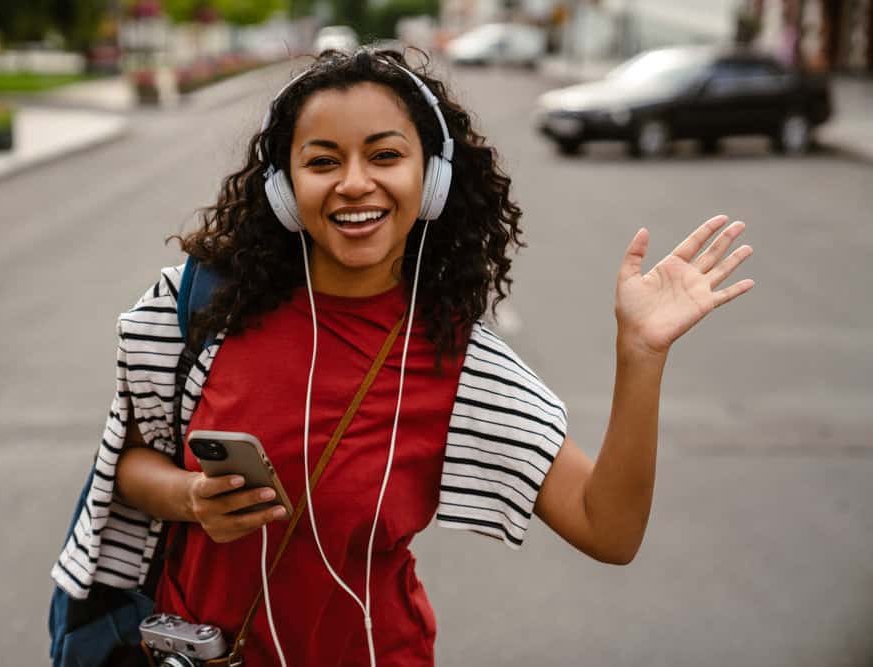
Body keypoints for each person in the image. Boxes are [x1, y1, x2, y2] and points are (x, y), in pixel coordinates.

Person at [51, 47, 754, 666]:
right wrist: (191, 499)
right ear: (285, 190)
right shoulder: (204, 305)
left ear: (432, 180)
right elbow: (130, 467)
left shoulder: (458, 361)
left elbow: (610, 528)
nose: (355, 183)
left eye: (385, 155)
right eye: (322, 161)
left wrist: (640, 355)